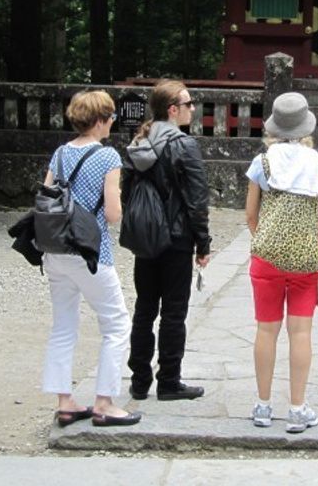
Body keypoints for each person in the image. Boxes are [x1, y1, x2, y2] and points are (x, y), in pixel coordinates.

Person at [41, 90, 140, 427]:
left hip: (56, 250)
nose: (113, 122)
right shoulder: (108, 157)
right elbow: (112, 214)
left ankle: (65, 401)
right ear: (100, 120)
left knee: (63, 326)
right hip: (91, 252)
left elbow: (46, 196)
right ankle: (105, 402)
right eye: (110, 116)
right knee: (116, 325)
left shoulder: (60, 153)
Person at [244, 92, 318, 433]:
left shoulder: (261, 162)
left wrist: (265, 237)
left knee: (266, 329)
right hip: (305, 258)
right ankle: (297, 408)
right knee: (300, 332)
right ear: (305, 125)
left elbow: (250, 214)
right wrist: (302, 237)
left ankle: (263, 406)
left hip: (266, 258)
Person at [124, 79, 211, 401]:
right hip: (175, 237)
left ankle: (139, 380)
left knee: (144, 308)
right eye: (188, 104)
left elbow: (127, 191)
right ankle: (169, 381)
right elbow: (196, 200)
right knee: (174, 311)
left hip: (145, 236)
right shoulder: (184, 145)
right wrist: (203, 243)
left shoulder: (139, 141)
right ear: (173, 109)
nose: (192, 109)